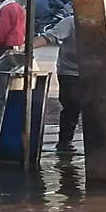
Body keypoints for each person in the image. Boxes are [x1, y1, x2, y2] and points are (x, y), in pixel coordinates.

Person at [32, 15, 79, 152]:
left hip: (95, 70)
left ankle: (98, 143)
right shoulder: (70, 22)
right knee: (72, 105)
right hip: (69, 71)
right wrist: (25, 47)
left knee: (96, 106)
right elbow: (49, 37)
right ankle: (65, 142)